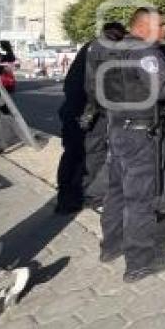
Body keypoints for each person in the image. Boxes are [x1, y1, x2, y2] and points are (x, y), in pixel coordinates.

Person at [87, 8, 165, 283]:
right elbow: (161, 90)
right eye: (161, 25)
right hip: (139, 133)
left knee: (116, 192)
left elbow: (94, 88)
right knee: (140, 198)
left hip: (116, 127)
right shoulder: (144, 52)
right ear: (144, 26)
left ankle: (110, 247)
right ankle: (140, 261)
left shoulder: (111, 49)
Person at [55, 22, 126, 214]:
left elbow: (71, 82)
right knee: (93, 155)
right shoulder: (107, 49)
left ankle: (65, 198)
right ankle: (87, 197)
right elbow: (98, 87)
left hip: (72, 108)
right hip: (90, 114)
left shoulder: (89, 46)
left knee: (71, 154)